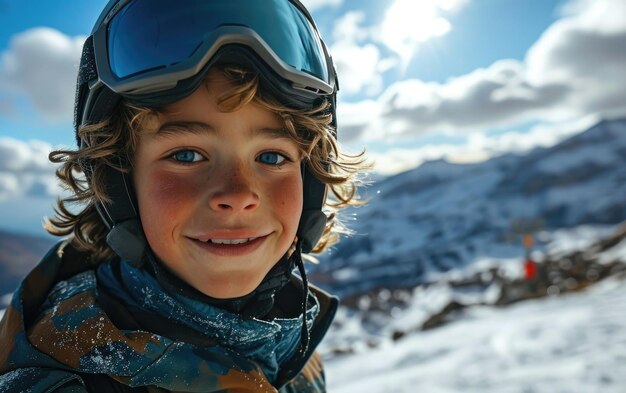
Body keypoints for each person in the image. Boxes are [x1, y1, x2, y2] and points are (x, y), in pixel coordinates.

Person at [0, 1, 366, 391]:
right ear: (117, 182)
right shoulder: (60, 379)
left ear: (311, 178)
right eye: (186, 155)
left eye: (272, 156)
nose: (238, 195)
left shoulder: (288, 344)